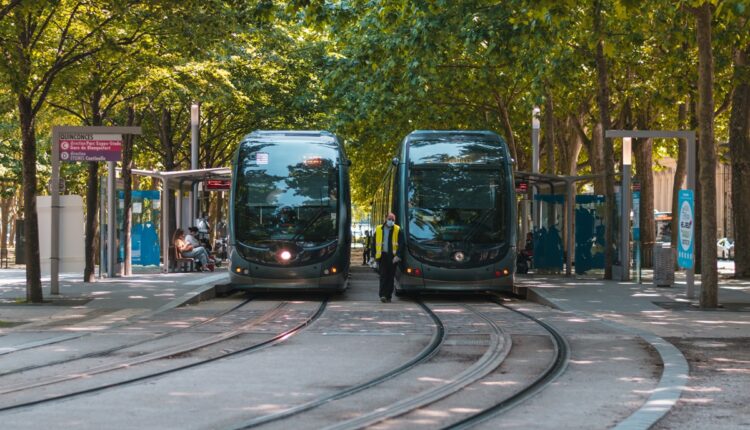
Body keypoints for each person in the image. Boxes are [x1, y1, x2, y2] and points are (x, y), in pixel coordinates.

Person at [374, 213, 404, 303]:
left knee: (390, 277)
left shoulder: (397, 229)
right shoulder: (379, 229)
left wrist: (398, 255)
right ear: (385, 218)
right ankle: (382, 295)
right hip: (382, 256)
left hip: (393, 257)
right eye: (389, 219)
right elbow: (373, 243)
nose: (391, 221)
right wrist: (372, 256)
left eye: (393, 219)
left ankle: (388, 296)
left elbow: (402, 243)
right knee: (383, 276)